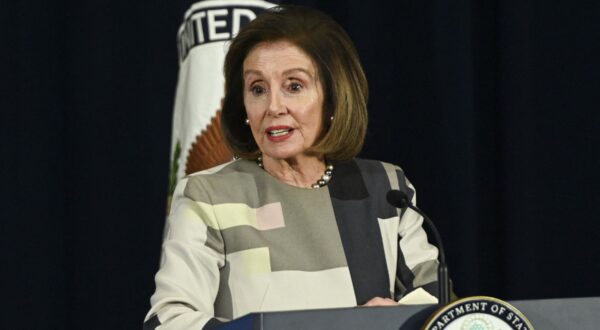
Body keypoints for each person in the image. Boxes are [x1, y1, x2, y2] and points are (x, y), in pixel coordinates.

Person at [144, 5, 440, 330]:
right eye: (257, 89)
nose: (273, 107)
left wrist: (395, 319)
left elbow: (437, 302)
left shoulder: (386, 188)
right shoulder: (209, 195)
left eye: (294, 86)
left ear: (333, 97)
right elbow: (170, 320)